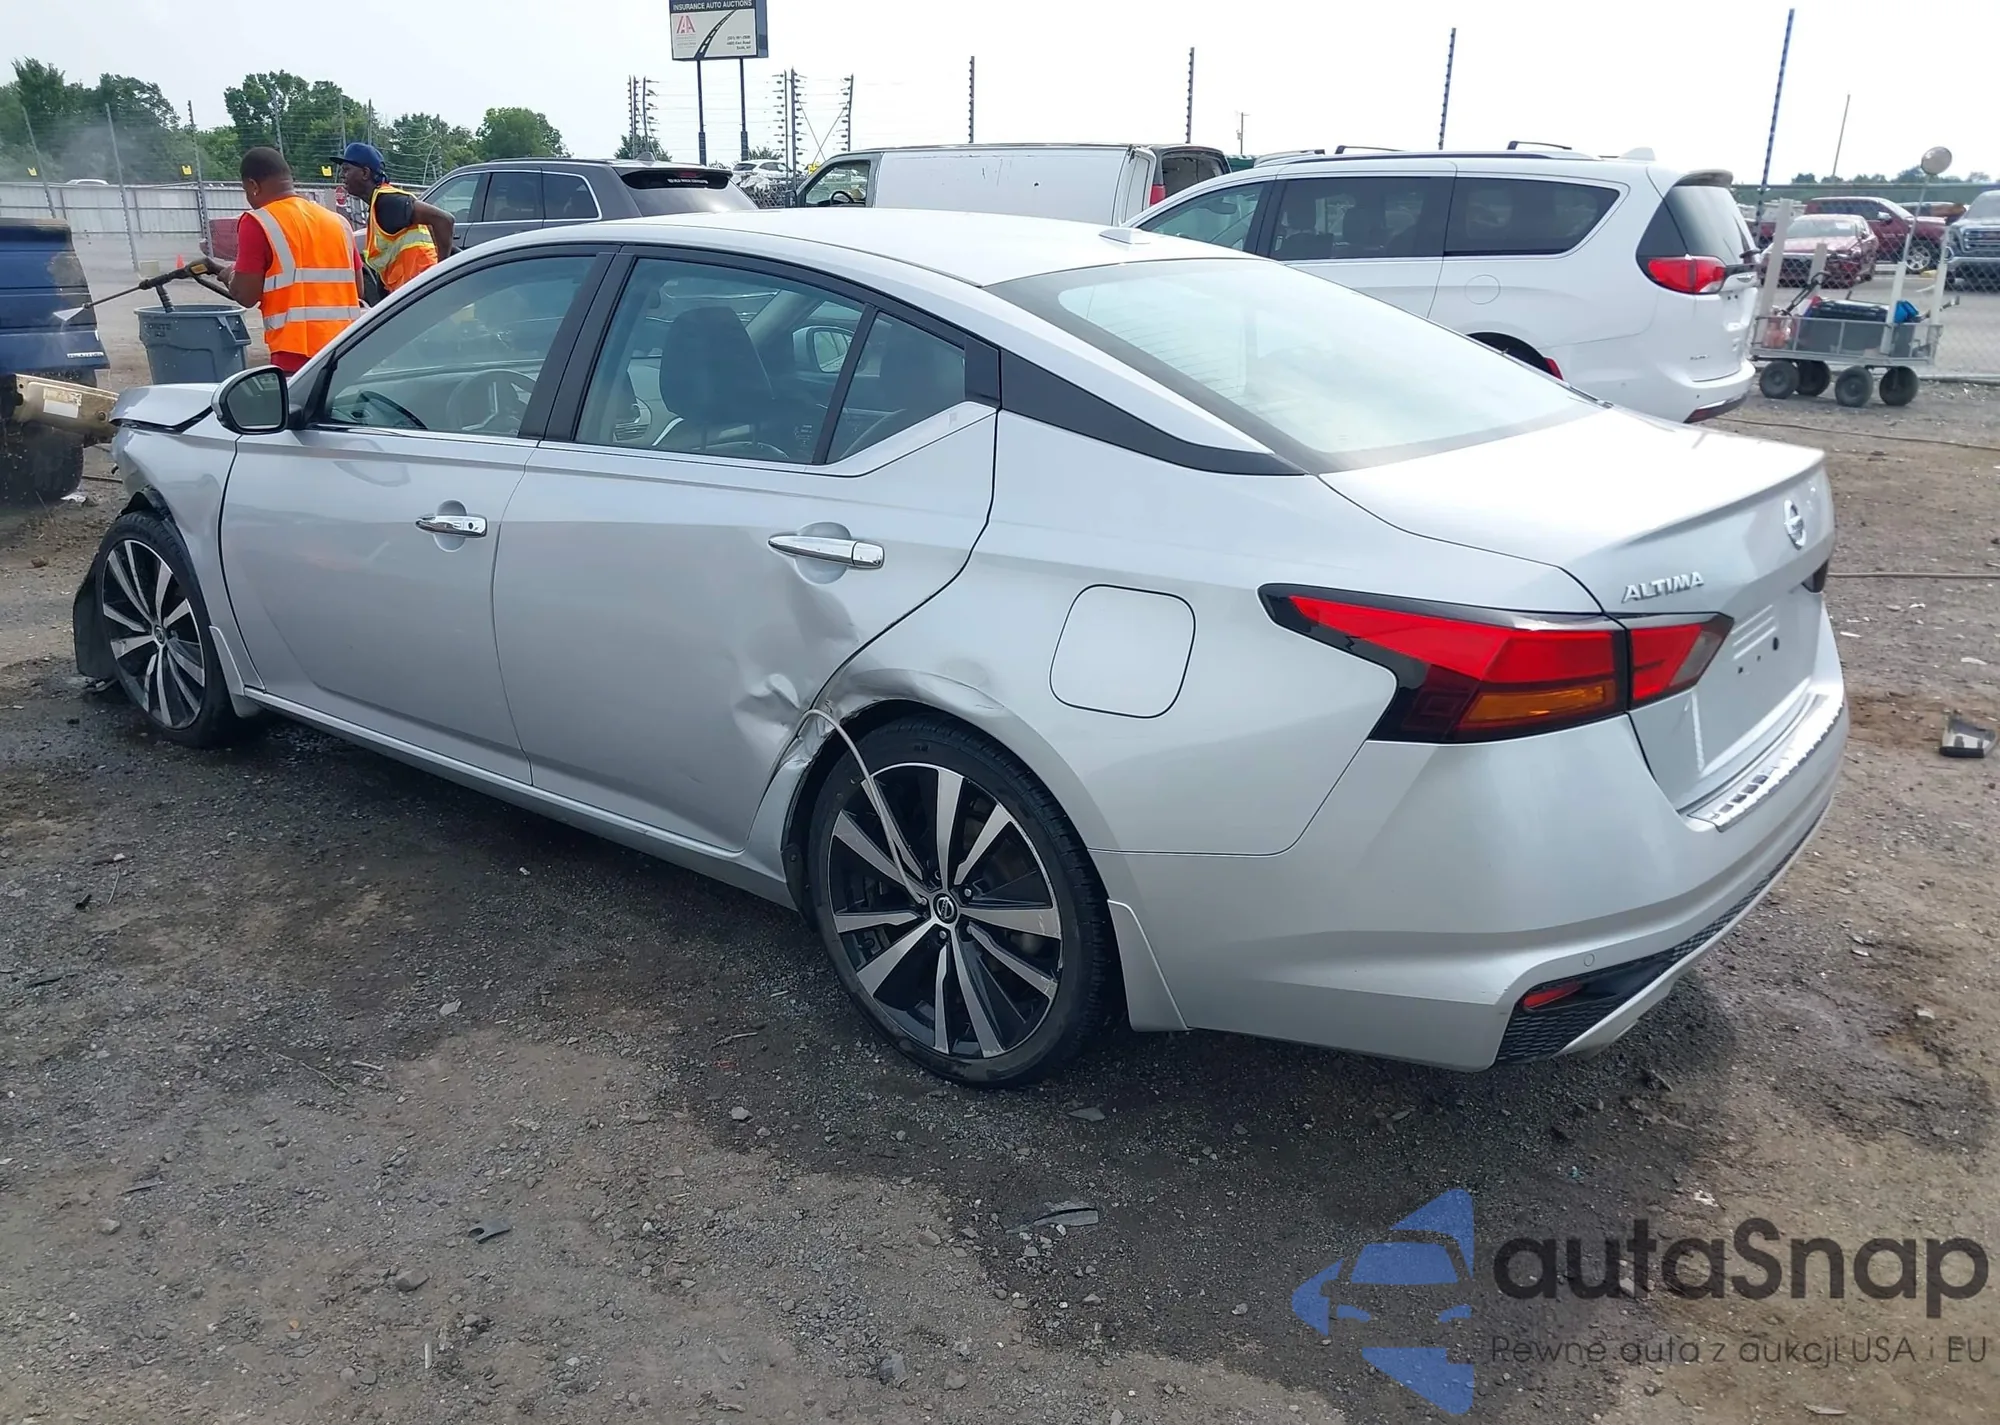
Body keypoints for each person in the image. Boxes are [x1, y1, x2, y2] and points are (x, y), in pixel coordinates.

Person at [211, 146, 362, 373]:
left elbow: (246, 295)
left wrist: (229, 276)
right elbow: (358, 288)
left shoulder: (258, 221)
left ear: (253, 186)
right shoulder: (338, 222)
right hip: (346, 348)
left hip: (295, 355)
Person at [334, 141, 454, 301]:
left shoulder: (388, 202)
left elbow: (444, 220)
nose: (342, 175)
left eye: (346, 169)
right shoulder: (379, 205)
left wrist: (439, 277)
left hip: (422, 294)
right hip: (412, 295)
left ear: (365, 173)